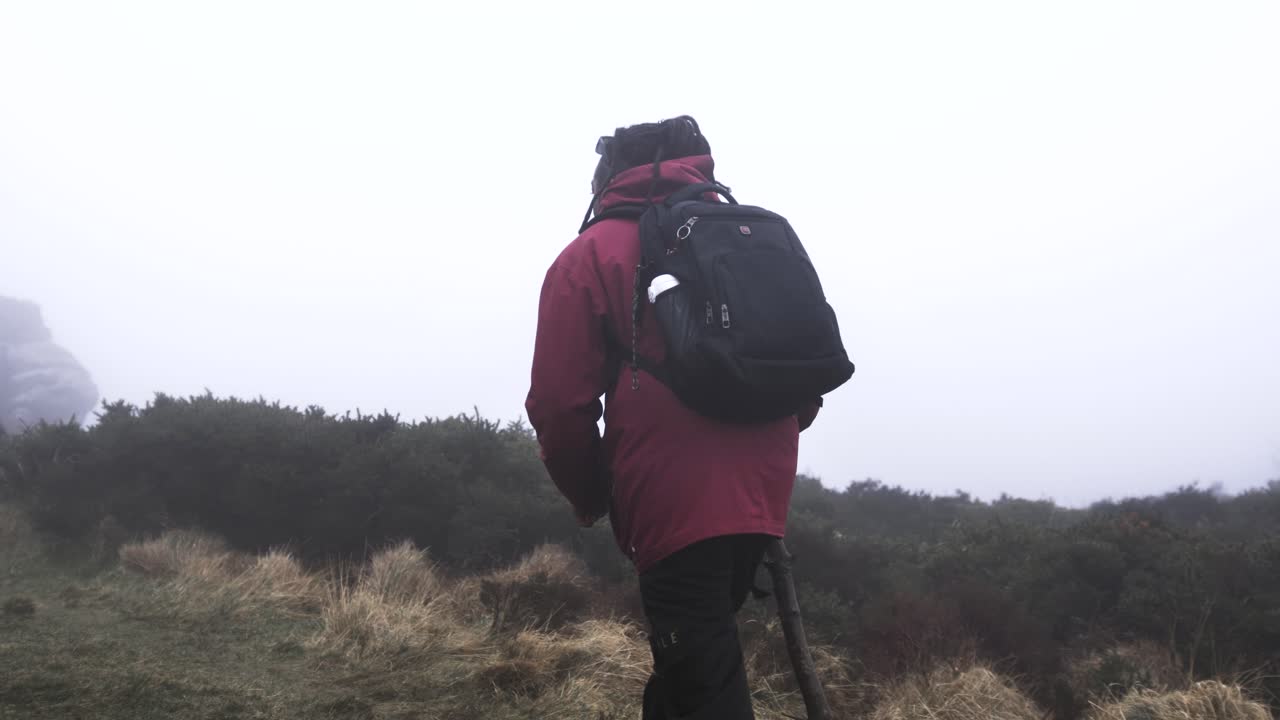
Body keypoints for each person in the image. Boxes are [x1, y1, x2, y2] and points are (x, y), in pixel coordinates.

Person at [524, 116, 821, 719]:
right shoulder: (748, 236)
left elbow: (559, 405)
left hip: (673, 495)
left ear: (610, 177)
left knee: (701, 680)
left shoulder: (590, 255)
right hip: (763, 486)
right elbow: (804, 365)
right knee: (690, 666)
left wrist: (591, 496)